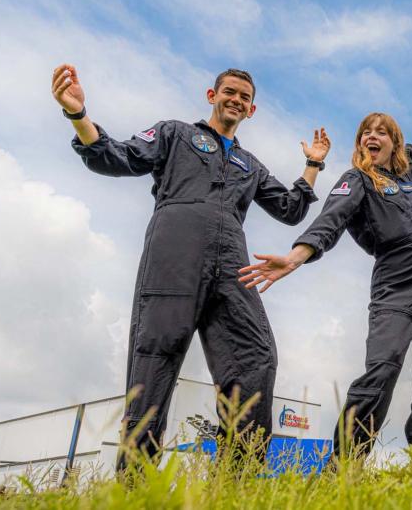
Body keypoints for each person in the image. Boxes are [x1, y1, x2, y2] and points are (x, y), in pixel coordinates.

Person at [51, 65, 328, 464]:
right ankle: (135, 486)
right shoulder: (175, 133)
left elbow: (289, 209)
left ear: (252, 110)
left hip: (232, 261)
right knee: (155, 356)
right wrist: (78, 114)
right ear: (211, 96)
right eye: (229, 92)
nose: (236, 99)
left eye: (244, 97)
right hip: (174, 252)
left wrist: (312, 166)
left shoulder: (250, 165)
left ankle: (236, 481)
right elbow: (115, 157)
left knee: (256, 355)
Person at [239, 110, 412, 458]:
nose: (373, 137)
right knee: (382, 369)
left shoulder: (409, 167)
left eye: (381, 132)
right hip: (397, 280)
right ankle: (344, 467)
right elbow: (331, 220)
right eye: (366, 132)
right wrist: (295, 257)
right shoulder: (357, 180)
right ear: (360, 143)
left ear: (393, 142)